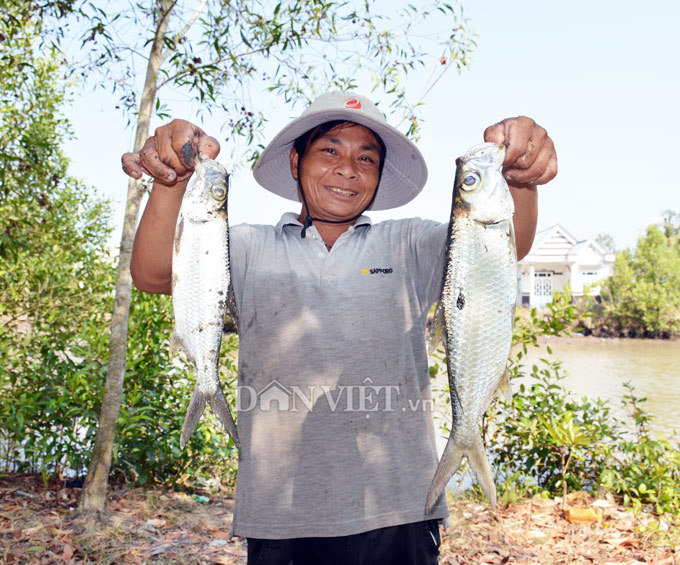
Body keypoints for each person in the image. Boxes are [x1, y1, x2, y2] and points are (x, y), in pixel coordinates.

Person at [123, 91, 557, 564]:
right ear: (295, 161)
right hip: (282, 516)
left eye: (366, 158)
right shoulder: (244, 247)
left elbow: (500, 250)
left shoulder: (410, 242)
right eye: (329, 150)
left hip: (402, 508)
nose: (348, 168)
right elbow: (151, 275)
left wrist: (519, 179)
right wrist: (173, 179)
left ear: (378, 175)